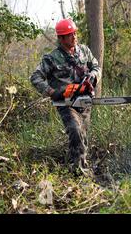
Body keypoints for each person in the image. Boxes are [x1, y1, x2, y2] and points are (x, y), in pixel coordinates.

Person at [30, 18, 101, 176]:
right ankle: (79, 172)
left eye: (74, 33)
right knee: (75, 130)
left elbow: (96, 66)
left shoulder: (84, 51)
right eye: (69, 35)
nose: (74, 37)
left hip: (84, 99)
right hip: (65, 102)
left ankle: (77, 164)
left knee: (82, 134)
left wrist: (93, 76)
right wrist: (52, 92)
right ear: (61, 38)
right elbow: (35, 78)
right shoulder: (51, 58)